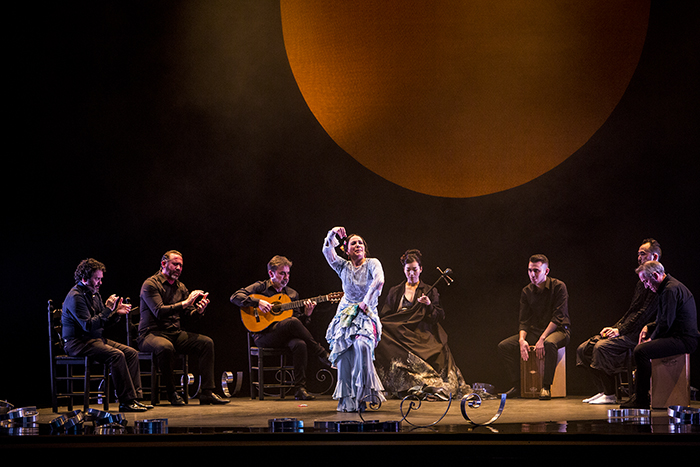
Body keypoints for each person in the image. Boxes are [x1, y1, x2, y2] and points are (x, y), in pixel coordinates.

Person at [230, 255, 331, 400]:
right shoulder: (261, 287)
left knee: (300, 344)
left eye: (288, 273)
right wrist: (258, 302)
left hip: (283, 336)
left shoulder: (292, 294)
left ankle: (299, 388)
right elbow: (235, 297)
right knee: (292, 323)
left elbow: (297, 323)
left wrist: (307, 314)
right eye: (282, 273)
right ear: (271, 273)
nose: (286, 277)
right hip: (263, 336)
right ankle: (321, 353)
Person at [138, 250, 229, 405]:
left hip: (174, 333)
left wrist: (198, 310)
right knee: (165, 347)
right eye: (175, 264)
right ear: (163, 264)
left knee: (206, 343)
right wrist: (186, 303)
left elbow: (187, 314)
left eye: (181, 265)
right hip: (151, 334)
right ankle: (172, 393)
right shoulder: (151, 284)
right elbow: (159, 311)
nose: (179, 268)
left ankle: (207, 392)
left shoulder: (181, 287)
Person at [375, 249, 469, 399]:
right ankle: (400, 385)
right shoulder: (395, 291)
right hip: (400, 333)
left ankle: (426, 384)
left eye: (414, 270)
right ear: (404, 270)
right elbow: (386, 316)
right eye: (408, 270)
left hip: (421, 332)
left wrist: (429, 305)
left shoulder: (429, 291)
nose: (411, 274)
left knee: (438, 349)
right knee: (380, 331)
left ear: (421, 269)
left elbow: (439, 316)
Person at [576, 239, 661, 404]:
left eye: (642, 254)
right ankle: (605, 391)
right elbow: (632, 311)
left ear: (655, 256)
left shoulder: (656, 280)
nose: (639, 257)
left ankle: (610, 394)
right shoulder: (641, 281)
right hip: (629, 329)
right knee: (583, 349)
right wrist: (614, 328)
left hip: (640, 333)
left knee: (601, 347)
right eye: (638, 254)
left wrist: (620, 331)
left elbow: (644, 314)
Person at [62, 258, 151, 412]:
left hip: (94, 339)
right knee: (116, 355)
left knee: (131, 353)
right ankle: (126, 401)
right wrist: (108, 309)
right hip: (78, 342)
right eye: (97, 279)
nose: (100, 282)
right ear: (84, 279)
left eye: (101, 279)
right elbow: (88, 326)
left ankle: (135, 398)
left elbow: (102, 322)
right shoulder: (76, 296)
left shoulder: (94, 294)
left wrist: (116, 313)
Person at [323, 226, 386, 412]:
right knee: (343, 354)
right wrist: (332, 233)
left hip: (366, 315)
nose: (358, 245)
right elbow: (327, 251)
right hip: (346, 315)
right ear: (347, 250)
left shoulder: (373, 263)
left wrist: (366, 302)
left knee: (362, 346)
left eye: (360, 243)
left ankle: (364, 394)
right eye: (353, 243)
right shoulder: (343, 266)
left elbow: (379, 280)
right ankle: (347, 400)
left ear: (365, 249)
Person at [621, 261, 699, 409]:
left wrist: (651, 339)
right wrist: (647, 327)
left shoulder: (670, 290)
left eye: (646, 281)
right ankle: (640, 396)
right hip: (678, 336)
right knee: (642, 348)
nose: (646, 286)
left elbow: (665, 324)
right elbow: (663, 320)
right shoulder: (667, 287)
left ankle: (641, 399)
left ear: (655, 275)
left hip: (684, 340)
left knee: (641, 351)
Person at [497, 254, 571, 400]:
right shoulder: (526, 291)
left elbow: (558, 317)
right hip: (536, 331)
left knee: (549, 343)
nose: (532, 274)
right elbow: (524, 320)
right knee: (504, 346)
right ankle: (518, 386)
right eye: (530, 270)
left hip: (559, 330)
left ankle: (546, 387)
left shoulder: (558, 287)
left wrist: (542, 339)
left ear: (546, 271)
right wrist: (521, 340)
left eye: (536, 270)